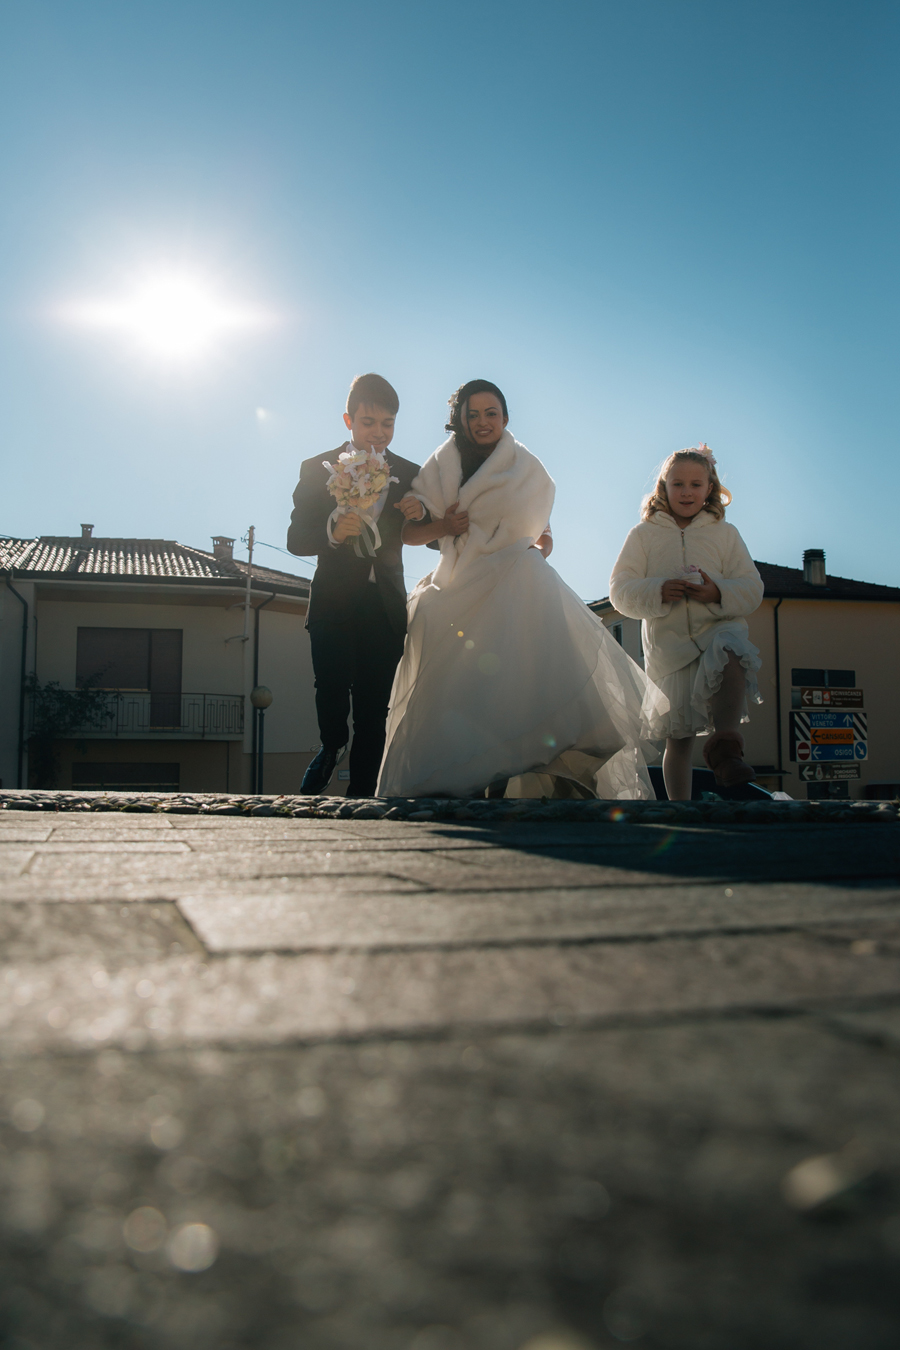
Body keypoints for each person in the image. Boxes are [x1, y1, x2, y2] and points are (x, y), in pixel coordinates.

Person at [376, 379, 665, 799]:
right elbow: (410, 534)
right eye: (472, 414)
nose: (482, 422)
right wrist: (443, 526)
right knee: (455, 663)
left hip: (512, 576)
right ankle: (464, 776)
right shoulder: (441, 464)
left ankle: (554, 762)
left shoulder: (528, 468)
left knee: (525, 646)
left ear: (505, 417)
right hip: (459, 581)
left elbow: (543, 535)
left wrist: (538, 547)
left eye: (490, 413)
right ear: (460, 419)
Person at [286, 373, 429, 797]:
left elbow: (436, 537)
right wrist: (333, 529)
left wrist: (420, 510)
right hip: (332, 600)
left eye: (387, 424)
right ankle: (331, 746)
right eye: (368, 422)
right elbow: (296, 539)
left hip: (384, 606)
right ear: (348, 420)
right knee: (329, 685)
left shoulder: (409, 473)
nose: (378, 433)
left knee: (375, 708)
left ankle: (362, 795)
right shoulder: (317, 468)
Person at [609, 444, 764, 799]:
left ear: (710, 488)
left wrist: (718, 593)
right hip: (670, 649)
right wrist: (657, 590)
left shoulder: (726, 534)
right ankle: (679, 809)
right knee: (678, 741)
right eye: (677, 484)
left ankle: (725, 748)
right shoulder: (643, 535)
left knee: (731, 651)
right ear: (662, 487)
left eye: (696, 484)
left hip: (717, 630)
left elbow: (752, 587)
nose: (687, 492)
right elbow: (619, 589)